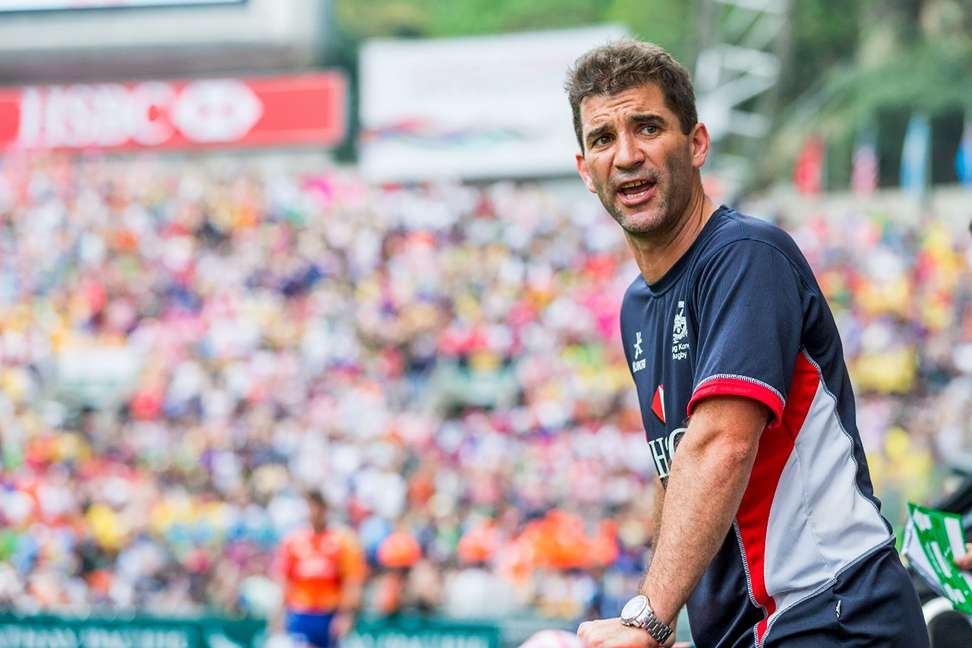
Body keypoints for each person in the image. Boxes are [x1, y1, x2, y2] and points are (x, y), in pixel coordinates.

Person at [566, 40, 928, 647]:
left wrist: (648, 620)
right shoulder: (636, 305)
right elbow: (681, 476)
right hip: (757, 632)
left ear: (698, 144)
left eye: (647, 127)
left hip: (837, 613)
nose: (626, 155)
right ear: (585, 170)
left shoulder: (746, 255)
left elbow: (721, 446)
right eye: (603, 139)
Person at [276, 491, 366, 648]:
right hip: (301, 612)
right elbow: (285, 579)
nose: (314, 512)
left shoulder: (343, 540)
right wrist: (280, 613)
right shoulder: (293, 540)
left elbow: (352, 580)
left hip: (329, 613)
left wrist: (347, 615)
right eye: (311, 507)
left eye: (318, 507)